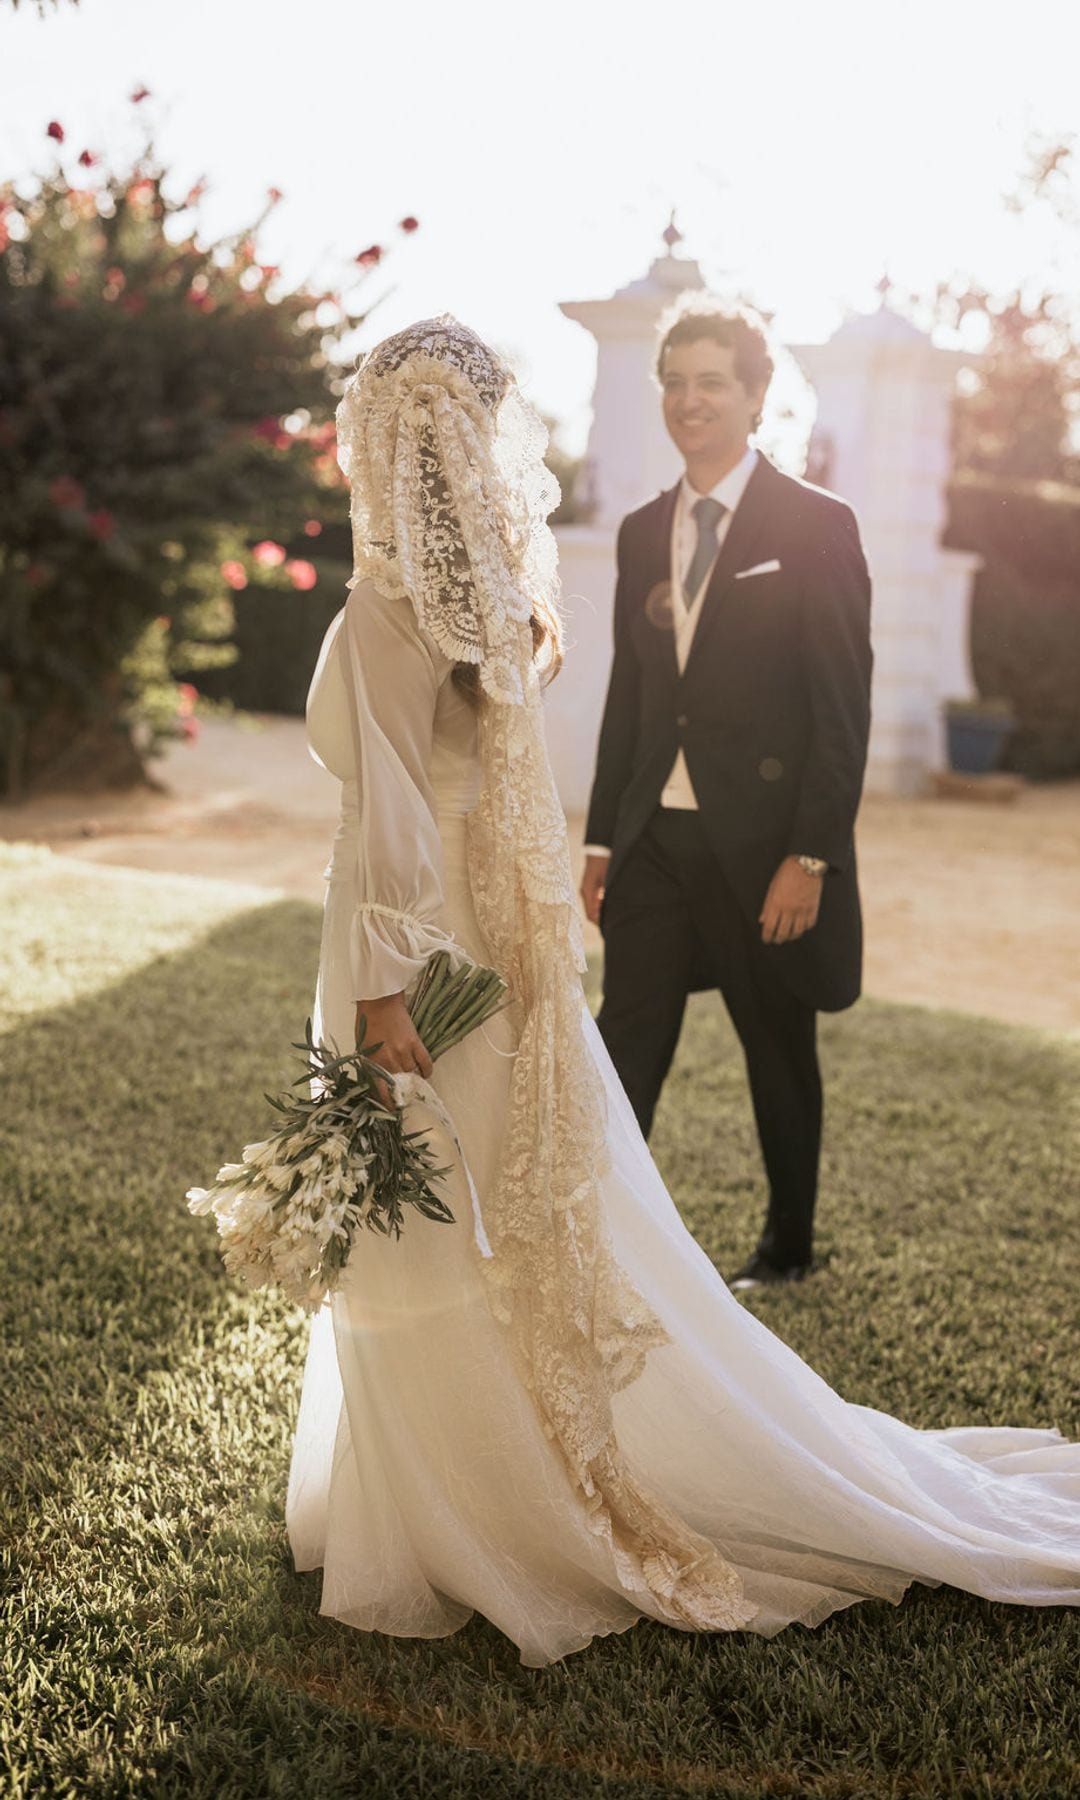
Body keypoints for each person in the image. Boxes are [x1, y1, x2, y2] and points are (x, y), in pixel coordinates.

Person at [286, 316, 1079, 1670]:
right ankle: (454, 1479)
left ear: (387, 437)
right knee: (512, 1215)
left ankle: (477, 1507)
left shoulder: (392, 601)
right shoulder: (488, 587)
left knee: (447, 1205)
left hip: (422, 952)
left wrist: (376, 988)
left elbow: (394, 824)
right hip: (507, 942)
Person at [581, 300, 871, 1290]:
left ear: (755, 395)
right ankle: (602, 1242)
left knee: (777, 1050)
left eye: (711, 381)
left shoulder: (817, 526)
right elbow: (632, 690)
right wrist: (599, 841)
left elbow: (842, 709)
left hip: (765, 848)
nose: (688, 400)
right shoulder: (638, 532)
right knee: (625, 1044)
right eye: (673, 380)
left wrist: (813, 854)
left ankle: (788, 1249)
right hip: (654, 837)